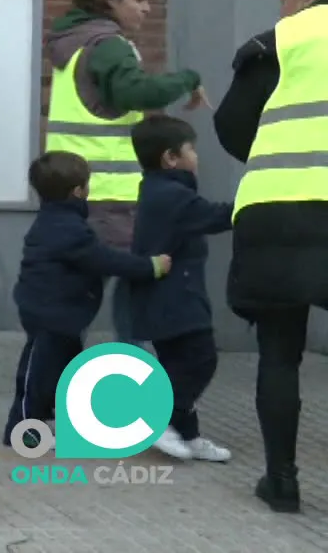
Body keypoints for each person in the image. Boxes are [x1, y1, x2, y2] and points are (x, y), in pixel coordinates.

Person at [216, 0, 328, 513]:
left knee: (280, 352)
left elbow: (231, 128)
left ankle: (281, 481)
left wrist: (274, 156)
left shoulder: (275, 45)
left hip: (276, 210)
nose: (280, 10)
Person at [43, 0, 205, 343]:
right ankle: (127, 378)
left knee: (77, 292)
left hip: (71, 190)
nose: (147, 9)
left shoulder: (74, 43)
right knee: (137, 281)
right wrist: (188, 79)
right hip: (111, 196)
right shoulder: (108, 46)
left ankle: (54, 375)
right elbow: (136, 93)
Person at [4, 150, 170, 448]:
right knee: (37, 373)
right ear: (78, 191)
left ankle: (47, 419)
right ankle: (22, 428)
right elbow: (104, 260)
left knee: (57, 369)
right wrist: (151, 266)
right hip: (50, 314)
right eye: (87, 184)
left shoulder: (55, 220)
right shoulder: (69, 230)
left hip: (60, 315)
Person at [127, 113, 233, 463]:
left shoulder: (158, 189)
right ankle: (158, 417)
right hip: (176, 299)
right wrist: (257, 205)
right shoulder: (172, 195)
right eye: (191, 149)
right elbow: (217, 216)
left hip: (166, 298)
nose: (197, 156)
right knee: (201, 359)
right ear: (170, 158)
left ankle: (189, 435)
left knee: (177, 361)